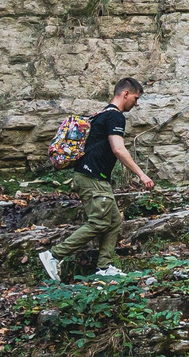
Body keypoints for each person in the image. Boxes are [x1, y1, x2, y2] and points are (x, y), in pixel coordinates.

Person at [40, 78, 154, 281]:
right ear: (125, 94)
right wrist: (141, 174)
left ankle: (104, 267)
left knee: (113, 221)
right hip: (91, 177)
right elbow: (118, 148)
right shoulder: (115, 117)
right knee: (99, 221)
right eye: (135, 99)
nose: (136, 104)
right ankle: (54, 255)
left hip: (93, 177)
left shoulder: (100, 115)